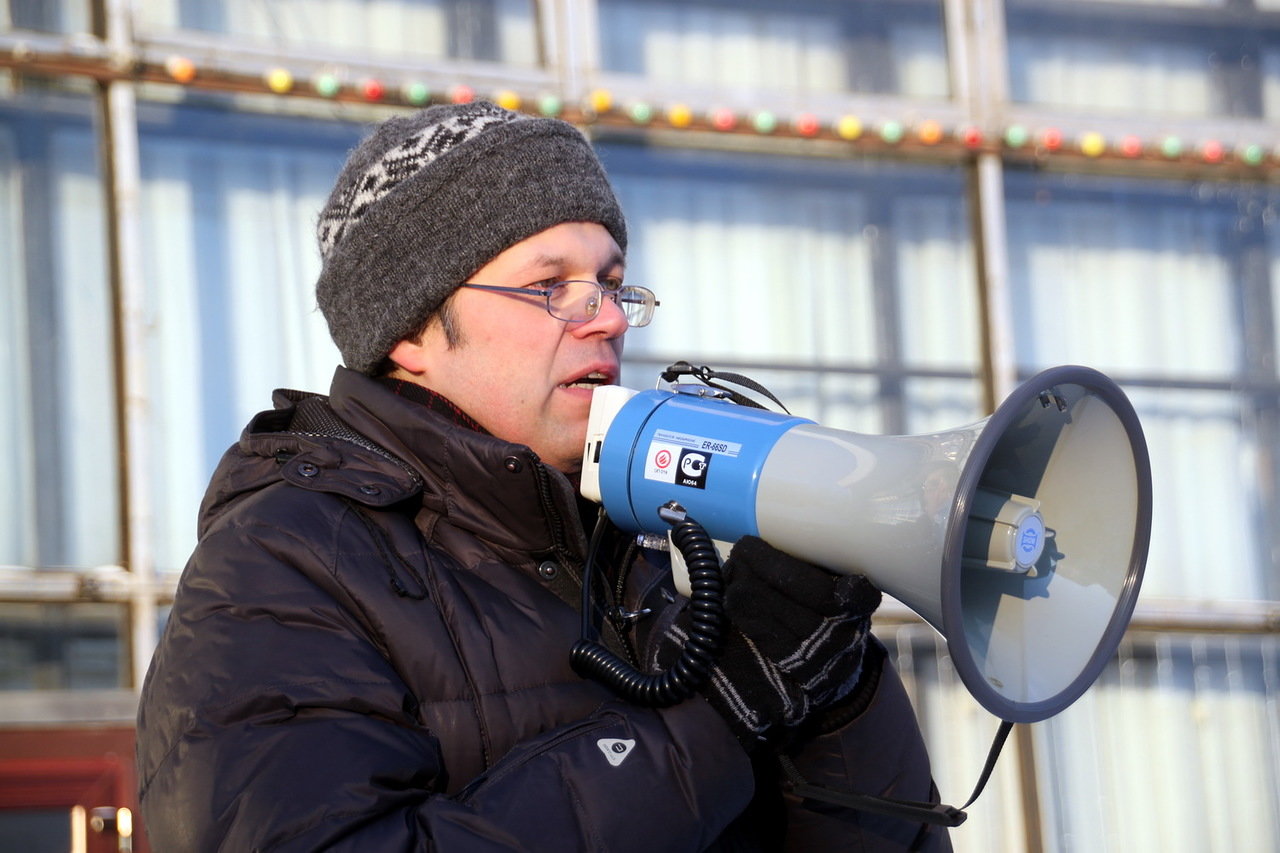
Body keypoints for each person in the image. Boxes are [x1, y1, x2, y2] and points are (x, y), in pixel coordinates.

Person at [136, 101, 952, 852]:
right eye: (548, 285)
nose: (604, 315)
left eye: (608, 280)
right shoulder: (282, 566)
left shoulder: (644, 547)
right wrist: (715, 714)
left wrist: (831, 690)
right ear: (411, 330)